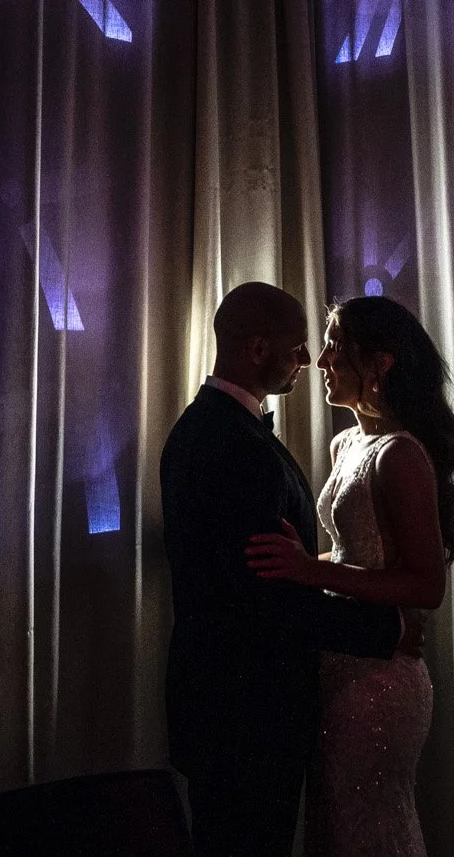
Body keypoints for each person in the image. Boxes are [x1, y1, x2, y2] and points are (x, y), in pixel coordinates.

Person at [161, 282, 417, 857]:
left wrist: (322, 567)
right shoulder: (235, 445)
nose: (308, 360)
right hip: (247, 715)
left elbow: (276, 571)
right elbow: (265, 597)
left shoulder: (209, 428)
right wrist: (389, 631)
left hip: (230, 708)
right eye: (298, 347)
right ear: (257, 350)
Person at [245, 295, 454, 857]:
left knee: (368, 826)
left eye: (335, 348)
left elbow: (425, 586)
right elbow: (356, 555)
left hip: (379, 681)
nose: (319, 361)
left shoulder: (400, 456)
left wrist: (307, 571)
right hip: (336, 667)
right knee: (334, 827)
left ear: (380, 363)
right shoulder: (347, 443)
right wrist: (306, 564)